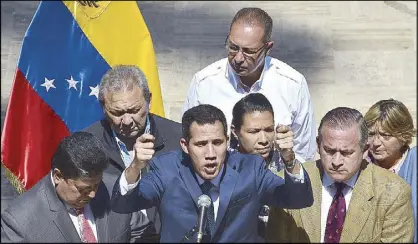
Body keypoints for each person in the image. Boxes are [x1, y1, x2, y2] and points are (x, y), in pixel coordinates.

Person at [111, 104, 314, 242]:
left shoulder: (250, 169)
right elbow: (123, 204)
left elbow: (298, 199)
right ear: (185, 145)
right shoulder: (166, 169)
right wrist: (135, 166)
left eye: (217, 143)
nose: (210, 154)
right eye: (200, 144)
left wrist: (289, 159)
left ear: (227, 141)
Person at [182, 7, 316, 163]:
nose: (238, 58)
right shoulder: (204, 83)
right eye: (233, 47)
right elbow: (189, 141)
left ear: (268, 48)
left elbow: (304, 153)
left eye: (249, 51)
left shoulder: (292, 85)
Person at [266, 107, 414, 243]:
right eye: (329, 151)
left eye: (346, 153)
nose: (336, 162)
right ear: (318, 144)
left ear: (365, 150)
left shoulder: (393, 192)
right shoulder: (290, 183)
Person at [83, 65, 182, 241]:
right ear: (103, 107)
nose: (127, 121)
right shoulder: (87, 144)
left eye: (134, 110)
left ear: (149, 100)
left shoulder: (178, 139)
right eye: (117, 113)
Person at [1, 132, 149, 243]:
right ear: (58, 176)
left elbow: (142, 233)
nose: (92, 194)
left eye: (97, 184)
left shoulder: (114, 190)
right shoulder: (20, 221)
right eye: (83, 189)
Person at [229, 93, 298, 240]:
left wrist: (289, 160)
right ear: (235, 131)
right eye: (253, 132)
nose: (263, 140)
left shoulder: (287, 162)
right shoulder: (224, 166)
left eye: (268, 130)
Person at [364, 98, 417, 242]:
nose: (375, 143)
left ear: (403, 136)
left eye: (385, 136)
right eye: (371, 134)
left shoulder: (414, 163)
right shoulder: (360, 165)